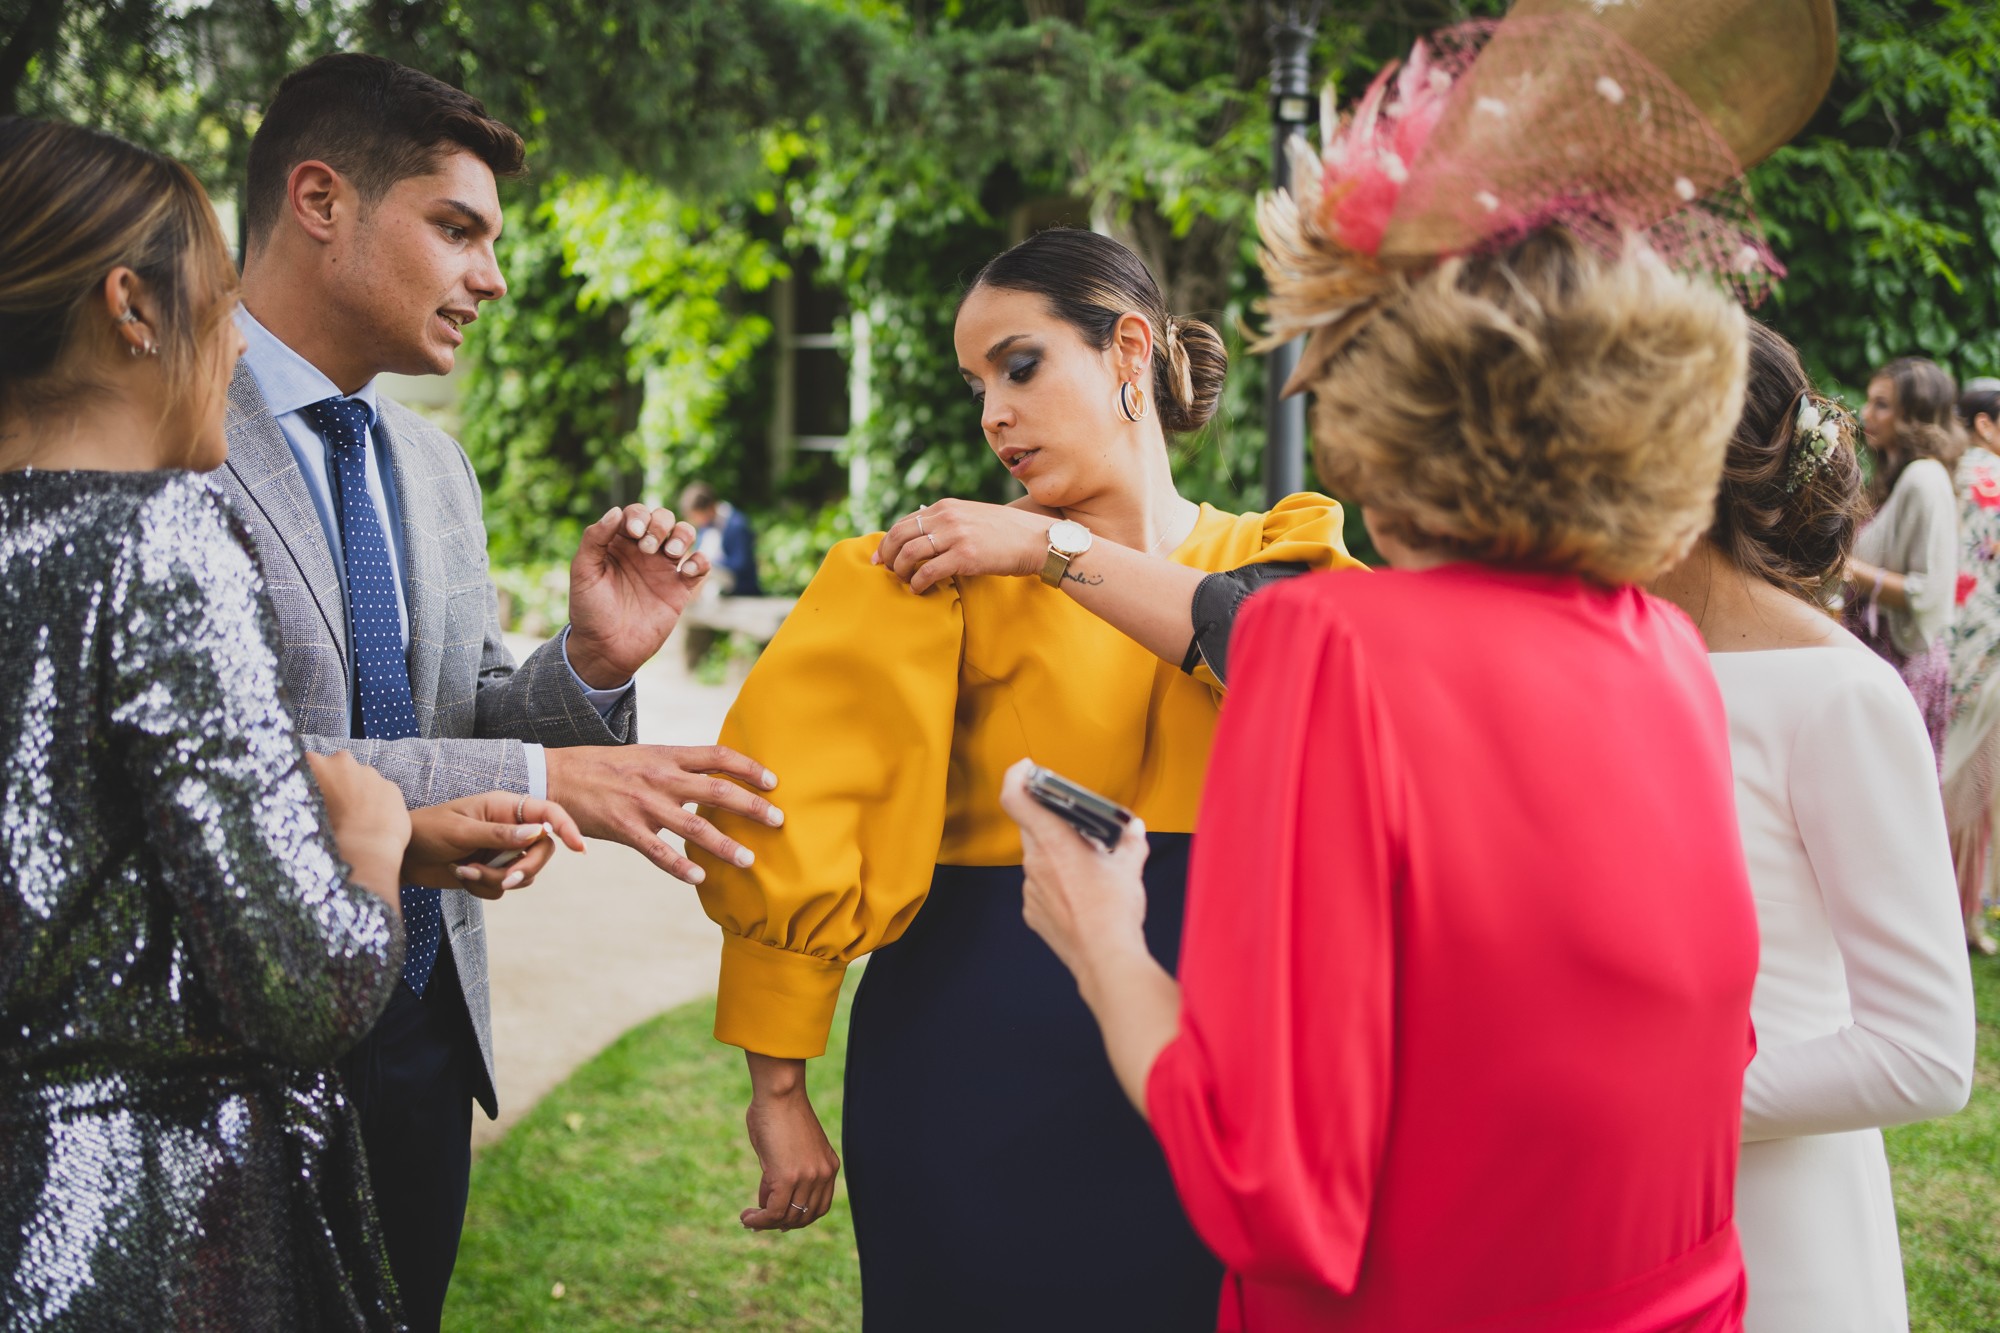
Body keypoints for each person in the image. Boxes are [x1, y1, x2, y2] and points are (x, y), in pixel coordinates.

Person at [997, 4, 1840, 1323]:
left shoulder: (1327, 647)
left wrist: (1103, 931)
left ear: (1377, 390)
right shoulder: (1667, 651)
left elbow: (1267, 1194)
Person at [693, 227, 1355, 1329]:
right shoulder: (924, 575)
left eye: (1019, 364)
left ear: (1127, 351)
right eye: (974, 384)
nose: (990, 413)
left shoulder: (1286, 558)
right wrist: (777, 1089)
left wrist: (1046, 553)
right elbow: (789, 812)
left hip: (1238, 1076)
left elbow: (1306, 673)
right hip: (966, 1077)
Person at [220, 53, 782, 1327]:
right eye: (456, 229)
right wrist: (541, 775)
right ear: (320, 200)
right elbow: (236, 757)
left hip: (424, 1041)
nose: (492, 275)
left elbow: (454, 709)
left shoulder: (432, 463)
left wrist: (587, 664)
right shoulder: (152, 434)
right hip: (230, 1052)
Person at [0, 117, 582, 1331]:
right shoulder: (166, 531)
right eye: (214, 299)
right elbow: (298, 984)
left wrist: (591, 661)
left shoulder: (434, 464)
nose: (232, 338)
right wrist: (371, 840)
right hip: (153, 1207)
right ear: (131, 309)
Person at [1649, 321, 1973, 1332]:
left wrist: (1656, 1106)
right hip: (1612, 1219)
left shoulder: (1840, 696)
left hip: (1779, 1229)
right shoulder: (1612, 666)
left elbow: (1924, 1050)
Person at [1849, 356, 1963, 768]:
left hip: (1906, 668)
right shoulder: (1894, 476)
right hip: (1880, 664)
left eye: (1882, 405)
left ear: (1914, 415)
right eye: (1869, 401)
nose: (1867, 414)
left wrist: (1842, 569)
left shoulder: (1924, 479)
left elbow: (1926, 591)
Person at [1944, 376, 2000, 953]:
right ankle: (1962, 913)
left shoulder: (1946, 476)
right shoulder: (1993, 481)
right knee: (1972, 790)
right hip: (1987, 654)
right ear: (1985, 424)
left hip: (1946, 654)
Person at [681, 480, 762, 596]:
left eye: (696, 516)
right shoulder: (705, 526)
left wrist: (711, 566)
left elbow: (741, 564)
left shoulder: (736, 525)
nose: (696, 521)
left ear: (710, 508)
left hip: (738, 590)